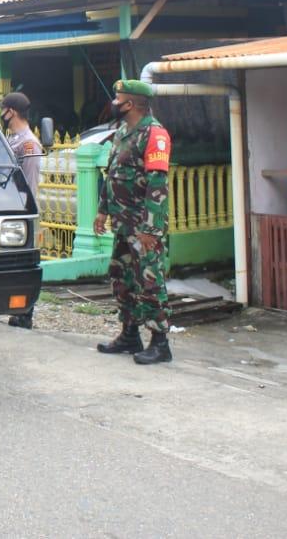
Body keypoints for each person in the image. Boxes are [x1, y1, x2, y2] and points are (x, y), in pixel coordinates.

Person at [94, 79, 174, 365]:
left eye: (118, 99)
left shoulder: (154, 134)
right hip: (123, 224)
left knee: (150, 282)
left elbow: (157, 184)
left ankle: (160, 343)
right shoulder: (123, 132)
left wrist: (151, 229)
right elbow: (112, 173)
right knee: (122, 277)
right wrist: (103, 210)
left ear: (130, 104)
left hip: (143, 227)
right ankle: (130, 334)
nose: (113, 103)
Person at [0, 92, 43, 203]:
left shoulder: (29, 144)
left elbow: (30, 183)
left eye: (2, 110)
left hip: (18, 206)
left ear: (11, 112)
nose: (1, 114)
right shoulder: (12, 138)